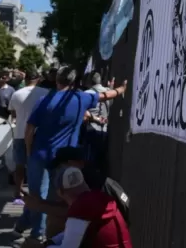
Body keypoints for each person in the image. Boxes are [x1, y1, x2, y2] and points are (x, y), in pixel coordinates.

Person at [23, 67, 127, 245]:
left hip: (39, 154)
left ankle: (36, 232)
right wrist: (121, 89)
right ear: (73, 81)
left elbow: (29, 130)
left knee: (36, 195)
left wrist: (28, 151)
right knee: (61, 199)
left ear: (57, 80)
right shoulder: (80, 98)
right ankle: (56, 236)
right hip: (64, 159)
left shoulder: (43, 100)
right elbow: (106, 96)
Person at [45, 167, 132, 248]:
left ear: (60, 192)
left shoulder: (81, 206)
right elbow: (74, 231)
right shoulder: (101, 197)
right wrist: (52, 241)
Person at [8, 71, 49, 215]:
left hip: (20, 133)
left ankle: (18, 193)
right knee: (37, 167)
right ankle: (35, 194)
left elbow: (13, 114)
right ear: (38, 79)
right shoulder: (46, 93)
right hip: (39, 135)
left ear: (25, 79)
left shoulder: (16, 94)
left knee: (20, 166)